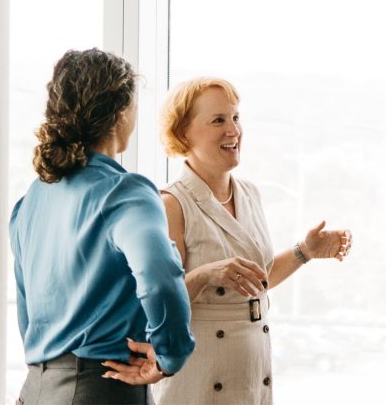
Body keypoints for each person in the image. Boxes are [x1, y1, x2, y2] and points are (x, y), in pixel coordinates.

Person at [151, 77, 353, 405]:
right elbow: (160, 303)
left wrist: (305, 251)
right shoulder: (172, 204)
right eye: (218, 120)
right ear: (183, 132)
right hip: (197, 377)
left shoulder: (250, 194)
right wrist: (205, 275)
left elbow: (256, 280)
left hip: (251, 371)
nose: (233, 130)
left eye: (235, 117)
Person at [10, 48, 195, 404]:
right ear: (121, 112)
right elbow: (159, 277)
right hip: (102, 389)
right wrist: (170, 355)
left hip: (35, 390)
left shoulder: (30, 201)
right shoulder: (126, 193)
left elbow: (27, 315)